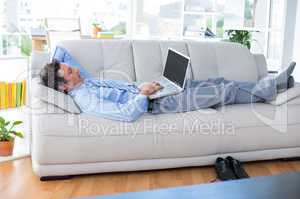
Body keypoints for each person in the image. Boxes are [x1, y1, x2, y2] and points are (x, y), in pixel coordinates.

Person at [40, 59, 296, 122]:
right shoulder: (85, 98)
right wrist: (143, 94)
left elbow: (124, 91)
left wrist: (143, 86)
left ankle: (270, 85)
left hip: (152, 91)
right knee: (224, 90)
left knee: (218, 80)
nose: (74, 68)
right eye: (69, 71)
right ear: (64, 86)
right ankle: (273, 87)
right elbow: (124, 114)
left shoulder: (85, 82)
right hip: (157, 104)